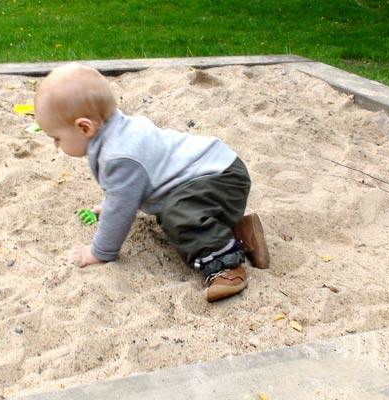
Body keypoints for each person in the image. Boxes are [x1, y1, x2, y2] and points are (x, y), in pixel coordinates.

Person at [34, 63, 269, 302]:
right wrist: (111, 203)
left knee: (177, 216)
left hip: (219, 178)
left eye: (57, 138)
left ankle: (226, 267)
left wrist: (99, 252)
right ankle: (241, 231)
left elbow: (121, 210)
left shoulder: (118, 155)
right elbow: (132, 185)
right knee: (182, 208)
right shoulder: (119, 130)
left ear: (84, 127)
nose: (56, 145)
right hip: (218, 172)